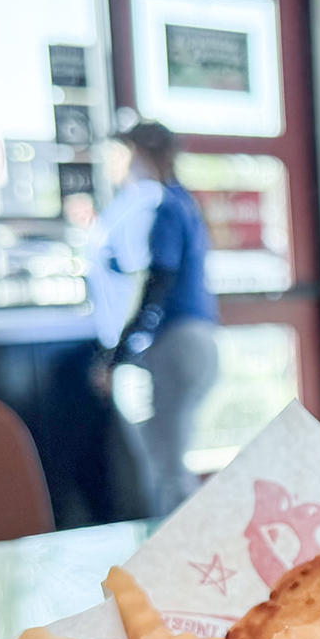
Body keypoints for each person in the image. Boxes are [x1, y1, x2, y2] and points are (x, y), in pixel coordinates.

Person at [104, 120, 220, 515]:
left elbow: (160, 279)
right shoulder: (185, 202)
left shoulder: (164, 206)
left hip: (178, 342)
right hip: (201, 340)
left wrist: (119, 351)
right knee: (167, 458)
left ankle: (179, 561)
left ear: (141, 155)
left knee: (166, 468)